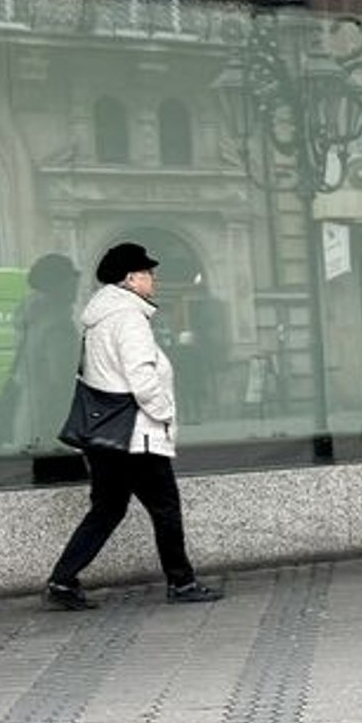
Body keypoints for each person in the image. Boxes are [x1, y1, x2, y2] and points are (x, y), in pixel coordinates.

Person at [44, 242, 222, 610]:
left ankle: (62, 580)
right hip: (135, 434)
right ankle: (183, 583)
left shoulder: (99, 319)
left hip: (105, 434)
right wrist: (164, 413)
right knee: (165, 507)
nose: (153, 279)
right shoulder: (128, 318)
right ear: (130, 279)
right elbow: (141, 378)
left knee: (107, 508)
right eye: (148, 273)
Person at [4, 253, 82, 466]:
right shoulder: (57, 326)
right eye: (71, 279)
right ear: (58, 285)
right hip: (50, 425)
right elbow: (62, 380)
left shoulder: (32, 320)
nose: (76, 285)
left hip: (29, 419)